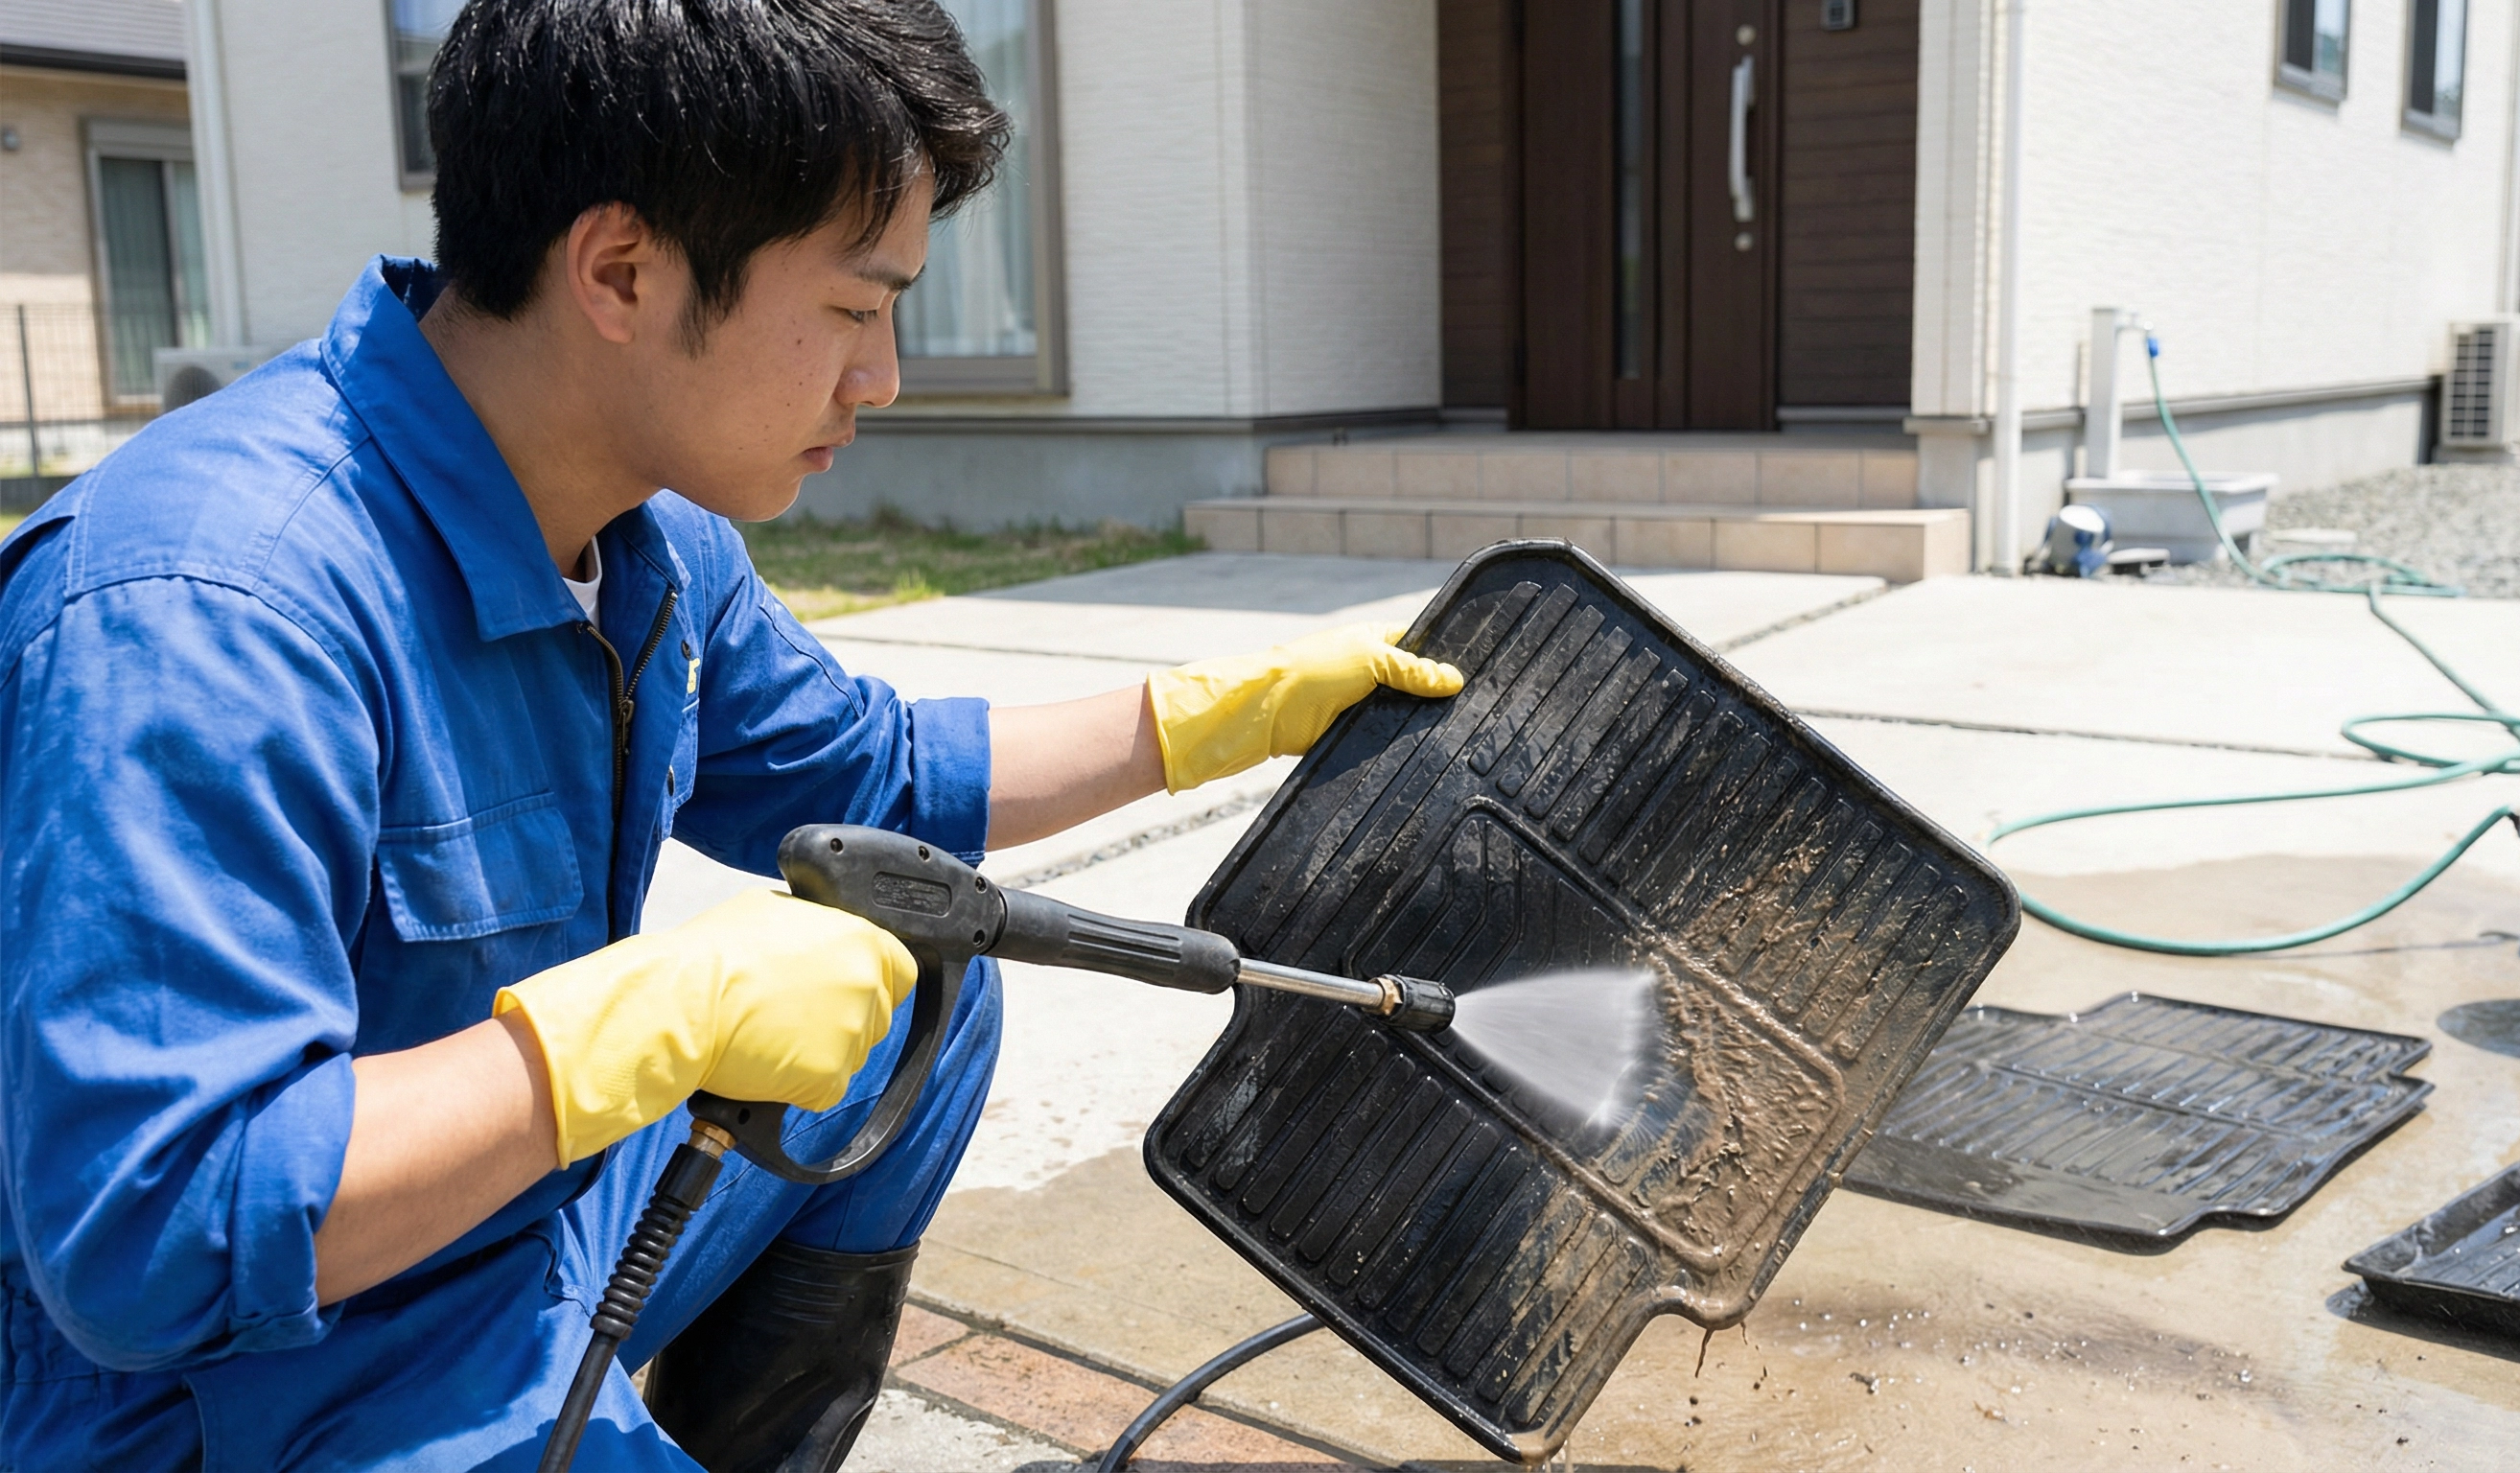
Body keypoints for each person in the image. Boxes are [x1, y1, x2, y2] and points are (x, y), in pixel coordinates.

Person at [0, 2, 1461, 1467]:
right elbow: (155, 1231)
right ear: (621, 270)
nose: (881, 377)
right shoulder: (211, 607)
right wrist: (636, 1026)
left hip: (517, 1247)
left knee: (914, 995)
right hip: (253, 1388)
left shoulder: (646, 533)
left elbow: (880, 773)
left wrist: (1213, 718)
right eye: (853, 307)